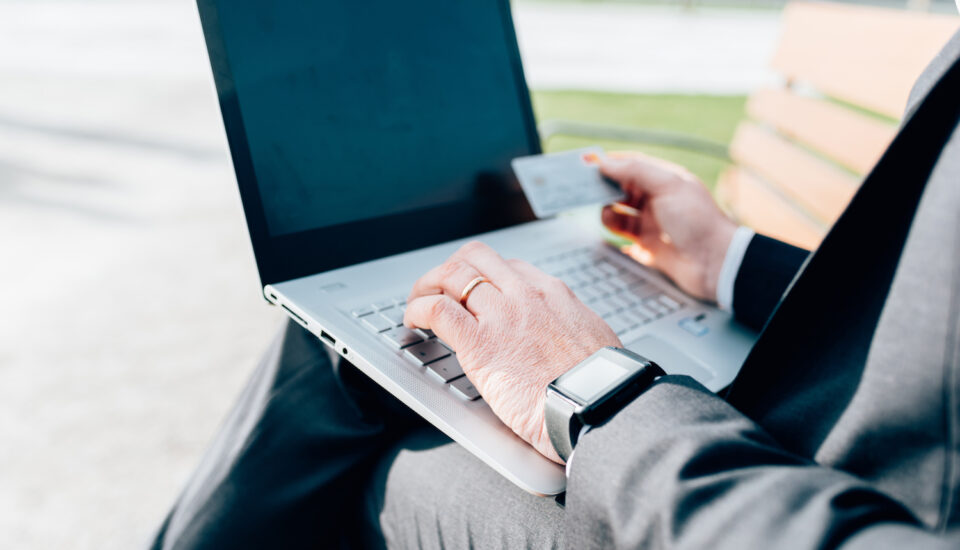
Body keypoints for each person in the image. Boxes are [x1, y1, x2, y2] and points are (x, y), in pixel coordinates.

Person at [150, 26, 960, 550]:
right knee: (380, 331)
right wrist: (726, 259)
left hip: (751, 494)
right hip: (793, 441)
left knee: (373, 394)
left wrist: (594, 393)